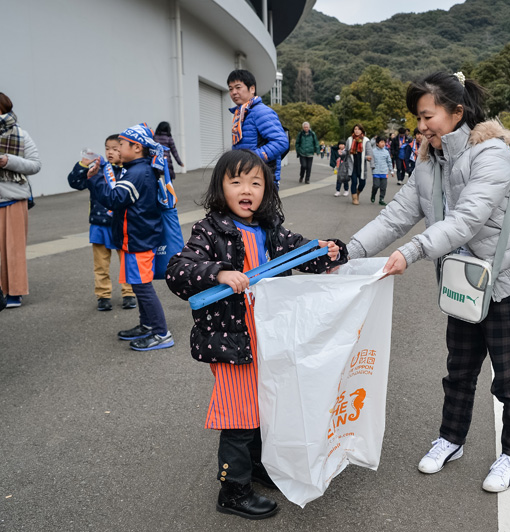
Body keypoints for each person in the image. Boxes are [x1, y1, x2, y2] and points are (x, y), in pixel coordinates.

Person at [347, 71, 510, 493]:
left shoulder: (491, 154)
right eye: (417, 118)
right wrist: (347, 252)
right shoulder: (427, 162)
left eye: (427, 116)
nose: (420, 127)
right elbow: (395, 217)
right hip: (465, 282)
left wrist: (411, 252)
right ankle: (451, 439)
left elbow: (467, 220)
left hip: (509, 281)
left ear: (457, 112)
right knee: (459, 371)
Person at [165, 149, 347, 520]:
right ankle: (233, 490)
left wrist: (330, 251)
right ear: (221, 188)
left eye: (255, 183)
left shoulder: (271, 229)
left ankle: (256, 465)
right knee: (239, 416)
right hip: (231, 343)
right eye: (236, 182)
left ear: (267, 190)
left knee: (262, 406)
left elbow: (302, 253)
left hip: (268, 340)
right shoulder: (210, 230)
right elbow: (178, 270)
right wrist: (217, 272)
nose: (246, 190)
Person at [86, 123, 173, 351]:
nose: (118, 148)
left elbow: (114, 199)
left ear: (136, 148)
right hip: (136, 237)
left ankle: (161, 333)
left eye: (122, 144)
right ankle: (147, 325)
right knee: (138, 285)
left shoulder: (137, 172)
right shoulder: (138, 169)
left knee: (142, 287)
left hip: (138, 239)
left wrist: (95, 179)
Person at [67, 135, 136, 311]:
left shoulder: (130, 172)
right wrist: (83, 165)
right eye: (107, 148)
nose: (110, 152)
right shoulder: (97, 169)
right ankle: (103, 295)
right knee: (101, 265)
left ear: (123, 150)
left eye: (115, 149)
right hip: (99, 223)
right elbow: (75, 183)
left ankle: (129, 293)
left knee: (127, 262)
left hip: (122, 224)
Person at [0, 92, 41, 308]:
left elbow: (35, 165)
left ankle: (14, 292)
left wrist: (8, 161)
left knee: (14, 249)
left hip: (13, 198)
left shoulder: (20, 134)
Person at [227, 69, 288, 189]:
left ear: (252, 89)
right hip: (247, 177)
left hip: (262, 179)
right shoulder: (241, 114)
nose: (234, 92)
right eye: (230, 89)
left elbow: (281, 142)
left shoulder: (261, 111)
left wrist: (251, 159)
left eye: (238, 87)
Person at [338, 124, 373, 205]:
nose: (357, 131)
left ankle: (357, 193)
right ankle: (354, 198)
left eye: (358, 129)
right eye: (355, 129)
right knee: (354, 182)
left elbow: (369, 153)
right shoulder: (349, 140)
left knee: (362, 183)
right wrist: (342, 153)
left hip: (361, 165)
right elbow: (346, 151)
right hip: (352, 164)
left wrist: (368, 158)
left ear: (362, 131)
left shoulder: (366, 140)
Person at [370, 136, 392, 205]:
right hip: (376, 171)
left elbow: (389, 161)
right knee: (376, 185)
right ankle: (373, 194)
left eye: (384, 142)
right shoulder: (373, 151)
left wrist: (391, 170)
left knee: (383, 187)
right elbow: (370, 159)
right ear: (377, 143)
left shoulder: (386, 152)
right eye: (381, 142)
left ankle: (381, 199)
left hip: (384, 172)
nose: (383, 144)